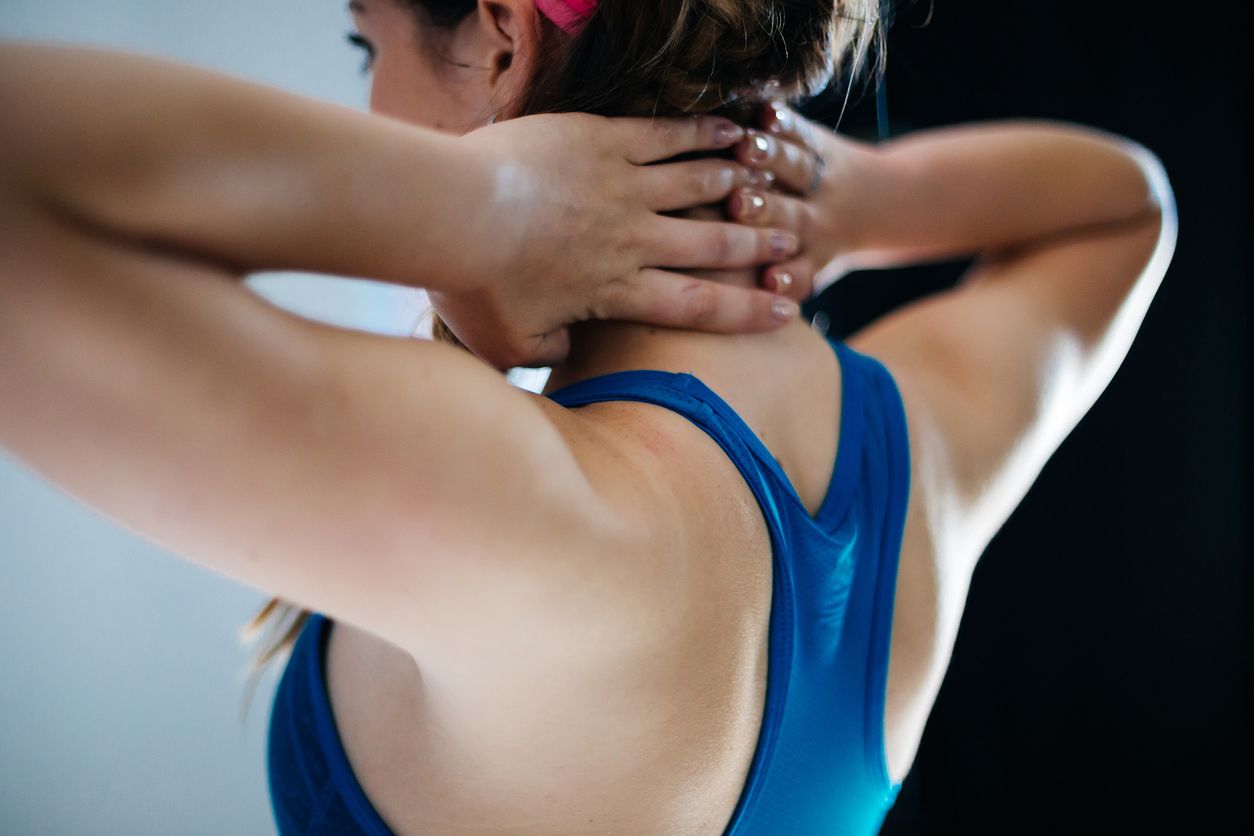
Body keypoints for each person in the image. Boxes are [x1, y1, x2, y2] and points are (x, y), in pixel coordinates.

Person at [0, 1, 1177, 835]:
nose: (367, 92)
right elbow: (1129, 214)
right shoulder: (916, 454)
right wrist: (869, 200)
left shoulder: (542, 518)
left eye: (367, 43)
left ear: (505, 39)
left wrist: (487, 209)